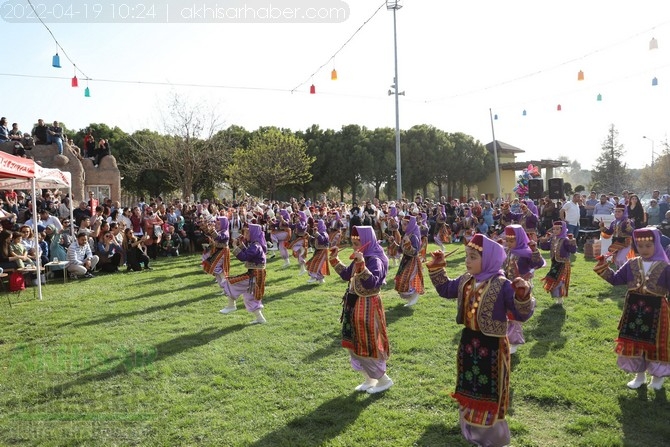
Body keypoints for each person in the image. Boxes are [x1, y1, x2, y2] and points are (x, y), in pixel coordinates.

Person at [427, 233, 535, 447]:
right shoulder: (466, 280)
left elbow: (520, 314)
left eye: (473, 257)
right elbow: (446, 289)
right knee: (469, 387)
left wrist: (523, 295)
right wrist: (438, 267)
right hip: (468, 344)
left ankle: (495, 440)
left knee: (490, 392)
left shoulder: (502, 284)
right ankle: (474, 434)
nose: (467, 261)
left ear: (488, 260)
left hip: (492, 347)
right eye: (467, 256)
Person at [594, 227, 670, 390]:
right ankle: (639, 375)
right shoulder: (632, 263)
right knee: (634, 342)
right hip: (633, 309)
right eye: (640, 246)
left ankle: (657, 377)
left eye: (648, 246)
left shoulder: (665, 266)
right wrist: (603, 266)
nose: (644, 250)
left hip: (658, 308)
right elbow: (616, 280)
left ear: (656, 245)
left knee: (657, 343)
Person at [328, 225, 393, 394]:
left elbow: (372, 283)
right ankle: (370, 378)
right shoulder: (362, 257)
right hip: (353, 305)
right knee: (352, 344)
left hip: (367, 307)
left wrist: (361, 263)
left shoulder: (375, 259)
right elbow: (346, 275)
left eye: (358, 244)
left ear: (367, 242)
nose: (354, 247)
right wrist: (334, 259)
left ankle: (383, 380)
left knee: (366, 343)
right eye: (353, 243)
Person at [502, 224, 546, 353]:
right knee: (506, 313)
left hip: (520, 289)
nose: (509, 243)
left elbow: (538, 263)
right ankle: (505, 337)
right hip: (506, 286)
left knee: (514, 315)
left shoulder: (526, 252)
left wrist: (534, 250)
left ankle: (514, 344)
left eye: (512, 240)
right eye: (507, 240)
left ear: (520, 239)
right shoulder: (507, 251)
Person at [219, 223, 267, 324]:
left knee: (230, 282)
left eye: (247, 232)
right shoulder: (256, 244)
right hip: (256, 274)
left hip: (254, 275)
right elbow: (248, 253)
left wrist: (235, 246)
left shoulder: (256, 246)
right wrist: (241, 245)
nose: (245, 235)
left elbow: (244, 257)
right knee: (249, 296)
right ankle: (260, 319)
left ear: (253, 233)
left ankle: (231, 306)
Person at [538, 221, 578, 305]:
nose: (555, 231)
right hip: (554, 263)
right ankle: (556, 296)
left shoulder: (565, 240)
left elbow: (573, 250)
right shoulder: (553, 239)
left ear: (562, 229)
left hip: (563, 263)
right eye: (554, 229)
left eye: (557, 229)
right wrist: (544, 240)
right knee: (552, 278)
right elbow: (545, 248)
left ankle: (560, 298)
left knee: (560, 281)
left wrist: (572, 242)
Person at [394, 215, 425, 307]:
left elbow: (415, 252)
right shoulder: (407, 234)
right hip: (405, 261)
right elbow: (400, 249)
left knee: (405, 281)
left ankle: (414, 296)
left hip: (412, 261)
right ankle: (412, 298)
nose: (402, 226)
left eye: (405, 224)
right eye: (402, 224)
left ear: (410, 225)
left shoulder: (414, 236)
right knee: (400, 281)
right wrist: (393, 242)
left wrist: (408, 243)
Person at [599, 204, 635, 268]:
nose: (617, 213)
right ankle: (621, 273)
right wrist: (602, 226)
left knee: (620, 259)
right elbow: (610, 232)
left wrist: (628, 227)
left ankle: (627, 271)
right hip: (616, 243)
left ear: (623, 212)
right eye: (616, 211)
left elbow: (633, 232)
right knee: (616, 260)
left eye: (619, 211)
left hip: (626, 243)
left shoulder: (628, 221)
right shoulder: (614, 222)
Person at [305, 219, 330, 284]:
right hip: (318, 251)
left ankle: (313, 277)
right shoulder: (318, 232)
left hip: (323, 251)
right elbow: (316, 241)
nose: (315, 226)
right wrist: (309, 237)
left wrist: (316, 233)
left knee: (315, 263)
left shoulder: (324, 233)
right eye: (315, 224)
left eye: (317, 225)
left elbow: (321, 240)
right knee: (313, 263)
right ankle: (321, 280)